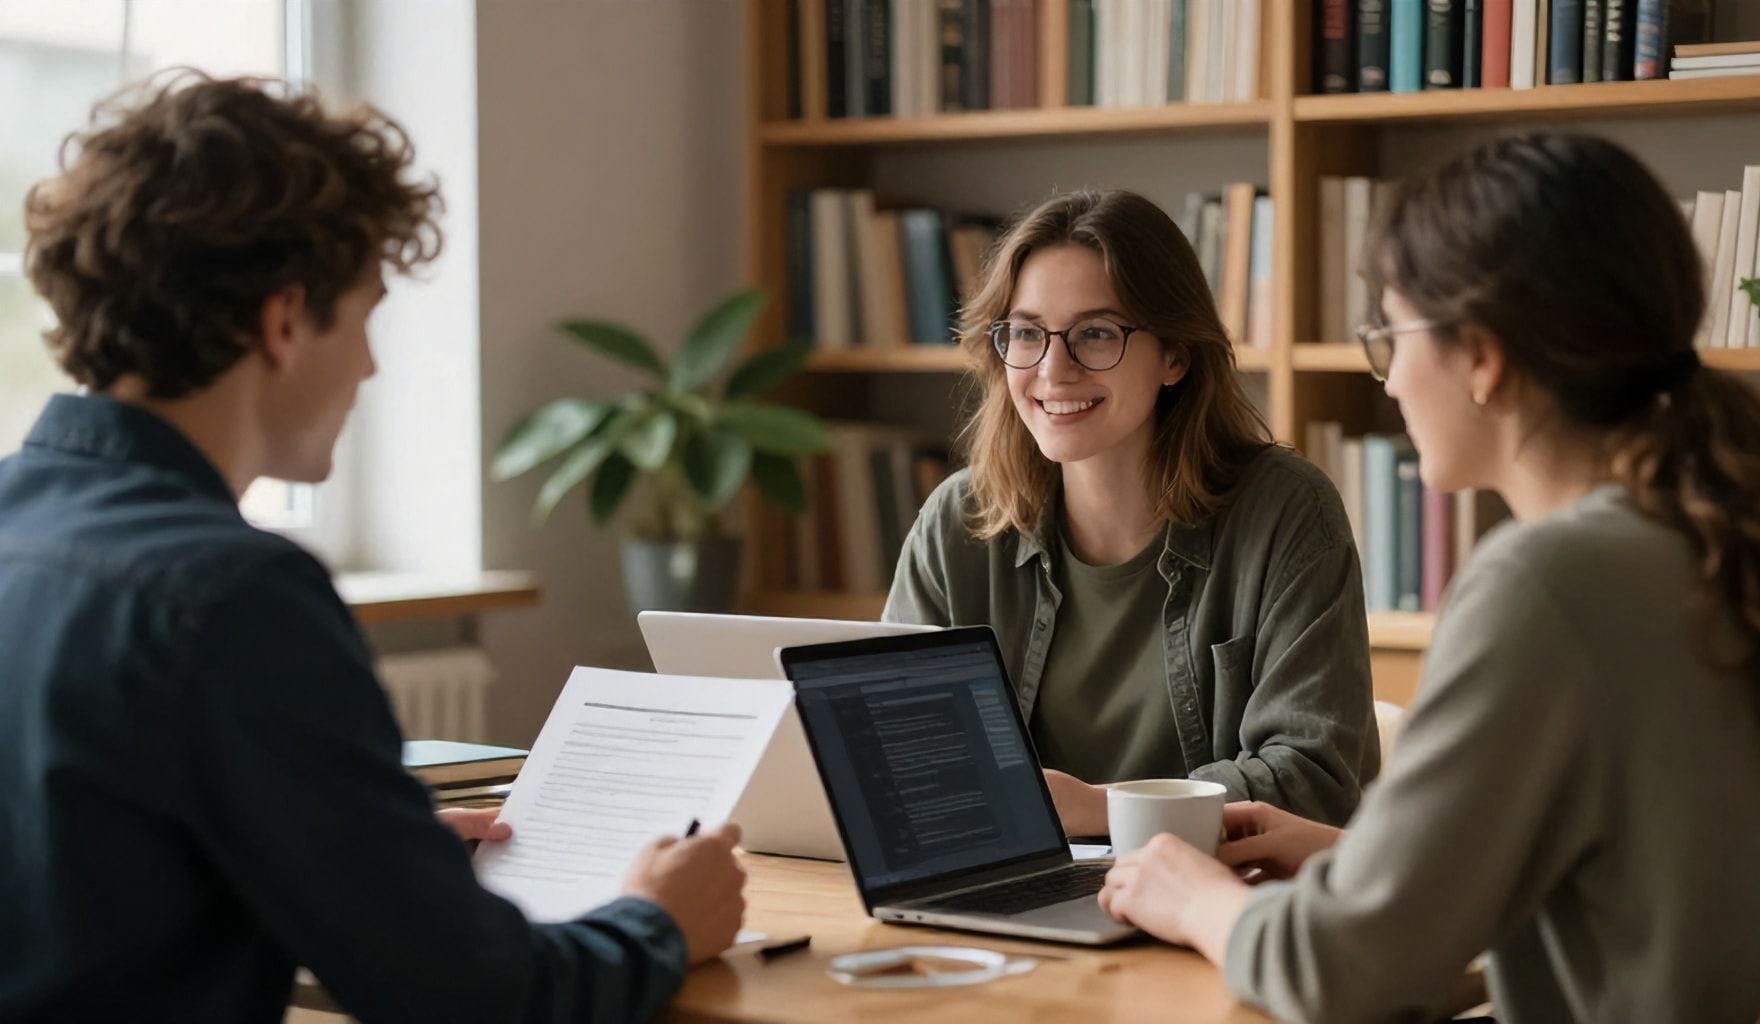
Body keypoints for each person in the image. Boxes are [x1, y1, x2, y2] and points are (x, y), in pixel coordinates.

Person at [0, 72, 745, 1023]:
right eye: (363, 316)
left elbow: (89, 881)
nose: (369, 364)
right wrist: (658, 919)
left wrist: (359, 855)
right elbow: (479, 1000)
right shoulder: (234, 595)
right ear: (282, 321)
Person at [1098, 132, 1760, 1023]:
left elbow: (1340, 975)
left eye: (1390, 334)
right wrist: (1363, 860)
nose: (1385, 382)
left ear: (1483, 356)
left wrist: (1192, 897)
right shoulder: (1724, 534)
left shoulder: (1550, 584)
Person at [884, 189, 1378, 832]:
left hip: (1219, 894)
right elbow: (896, 756)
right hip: (1012, 892)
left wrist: (1097, 809)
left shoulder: (1286, 512)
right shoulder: (958, 521)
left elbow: (1312, 779)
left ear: (1175, 353)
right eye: (1027, 333)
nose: (1052, 371)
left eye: (1095, 334)